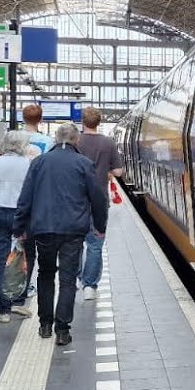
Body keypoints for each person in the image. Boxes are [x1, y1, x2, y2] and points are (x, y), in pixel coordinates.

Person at [14, 124, 108, 346]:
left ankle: (45, 325)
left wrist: (19, 227)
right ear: (76, 141)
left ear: (56, 139)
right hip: (73, 230)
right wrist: (100, 226)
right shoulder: (84, 164)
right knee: (67, 280)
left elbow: (25, 197)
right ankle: (63, 330)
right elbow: (98, 198)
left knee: (45, 274)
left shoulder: (39, 162)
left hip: (43, 229)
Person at [0, 131, 36, 324]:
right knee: (22, 257)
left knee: (0, 259)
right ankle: (18, 300)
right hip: (20, 214)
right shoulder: (28, 164)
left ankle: (3, 310)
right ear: (22, 145)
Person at [75, 108, 123, 300]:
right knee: (95, 244)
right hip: (99, 201)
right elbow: (118, 172)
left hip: (76, 201)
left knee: (75, 242)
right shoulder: (108, 142)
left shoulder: (75, 141)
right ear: (99, 122)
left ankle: (76, 278)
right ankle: (90, 286)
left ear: (82, 122)